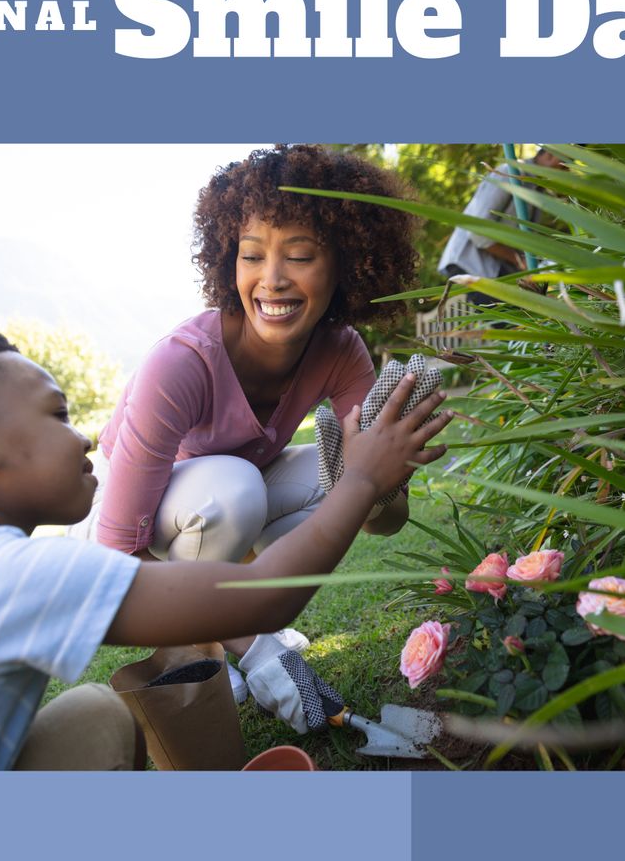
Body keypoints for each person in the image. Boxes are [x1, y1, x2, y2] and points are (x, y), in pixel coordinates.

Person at [0, 319, 451, 770]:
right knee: (93, 722)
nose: (88, 440)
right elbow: (263, 600)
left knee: (92, 715)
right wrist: (362, 477)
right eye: (58, 414)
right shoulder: (2, 573)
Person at [71, 144, 424, 700]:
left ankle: (239, 610)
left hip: (220, 505)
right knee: (234, 490)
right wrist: (254, 642)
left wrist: (389, 471)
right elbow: (119, 557)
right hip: (125, 520)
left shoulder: (340, 349)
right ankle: (190, 643)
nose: (273, 279)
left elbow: (381, 520)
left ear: (347, 265)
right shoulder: (181, 362)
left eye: (301, 255)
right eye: (252, 254)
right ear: (228, 259)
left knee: (322, 475)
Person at [437, 147, 565, 298]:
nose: (568, 172)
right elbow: (478, 232)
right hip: (472, 264)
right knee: (513, 319)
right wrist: (519, 261)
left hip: (497, 268)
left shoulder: (536, 190)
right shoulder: (509, 173)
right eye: (566, 165)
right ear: (550, 155)